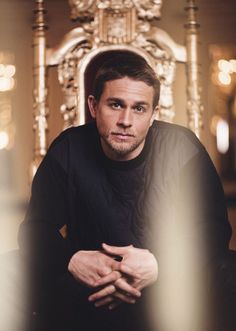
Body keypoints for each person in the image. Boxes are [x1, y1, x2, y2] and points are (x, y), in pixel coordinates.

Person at [18, 51, 234, 331]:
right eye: (116, 105)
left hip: (170, 283)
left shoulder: (182, 149)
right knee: (12, 269)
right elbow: (34, 228)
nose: (126, 120)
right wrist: (70, 259)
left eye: (139, 108)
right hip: (90, 289)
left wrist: (160, 264)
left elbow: (214, 229)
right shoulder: (69, 150)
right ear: (94, 106)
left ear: (154, 113)